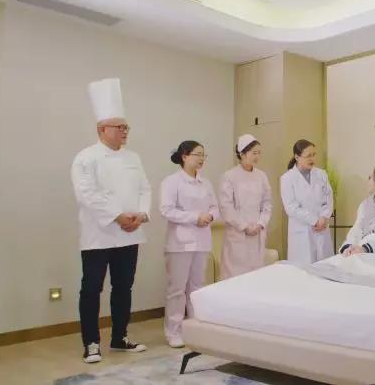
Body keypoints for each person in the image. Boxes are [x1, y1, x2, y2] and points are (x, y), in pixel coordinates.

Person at [70, 78, 148, 364]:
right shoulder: (85, 158)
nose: (125, 131)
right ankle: (91, 342)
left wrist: (141, 214)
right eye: (119, 127)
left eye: (126, 127)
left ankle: (120, 337)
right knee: (92, 289)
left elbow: (144, 188)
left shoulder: (133, 157)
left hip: (130, 233)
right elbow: (86, 194)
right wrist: (117, 216)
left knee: (124, 287)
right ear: (101, 129)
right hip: (98, 234)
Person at [159, 140, 219, 348]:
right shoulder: (171, 182)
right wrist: (195, 217)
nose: (201, 159)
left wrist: (210, 216)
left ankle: (195, 328)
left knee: (197, 287)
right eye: (197, 154)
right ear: (184, 156)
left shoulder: (205, 182)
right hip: (179, 243)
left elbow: (215, 207)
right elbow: (166, 210)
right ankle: (173, 331)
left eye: (203, 155)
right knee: (177, 289)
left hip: (202, 241)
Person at [219, 134, 272, 278]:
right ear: (242, 153)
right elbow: (226, 207)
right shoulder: (229, 176)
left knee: (255, 275)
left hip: (258, 232)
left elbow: (267, 203)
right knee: (235, 276)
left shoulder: (261, 176)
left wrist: (261, 223)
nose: (257, 156)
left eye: (259, 153)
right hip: (238, 233)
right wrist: (244, 226)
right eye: (254, 153)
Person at [280, 139, 334, 264]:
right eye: (308, 156)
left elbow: (329, 198)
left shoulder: (321, 174)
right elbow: (291, 207)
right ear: (297, 157)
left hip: (322, 228)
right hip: (302, 232)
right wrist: (315, 220)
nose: (312, 159)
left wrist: (324, 217)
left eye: (314, 155)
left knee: (324, 268)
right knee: (303, 270)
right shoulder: (287, 178)